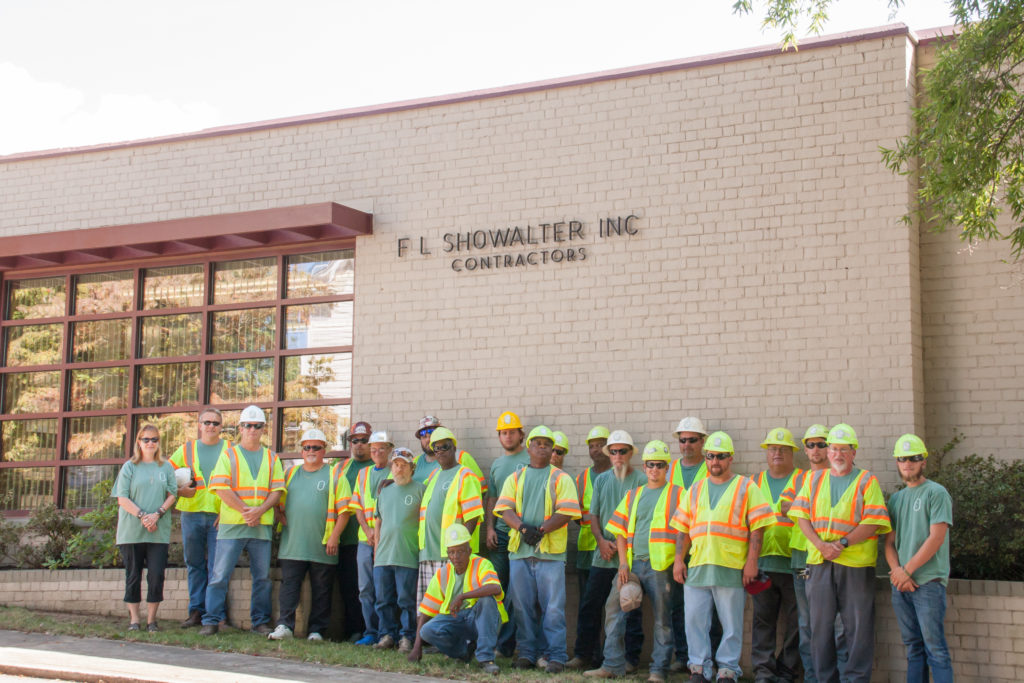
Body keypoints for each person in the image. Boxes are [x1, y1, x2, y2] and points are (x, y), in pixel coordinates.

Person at [788, 423, 891, 683]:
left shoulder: (867, 480)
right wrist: (821, 546)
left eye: (844, 449)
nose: (837, 454)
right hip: (819, 563)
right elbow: (801, 517)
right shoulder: (813, 479)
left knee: (856, 629)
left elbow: (873, 522)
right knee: (819, 628)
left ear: (854, 452)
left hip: (855, 565)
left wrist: (842, 544)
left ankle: (855, 679)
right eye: (833, 448)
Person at [671, 430, 773, 682]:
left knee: (731, 624)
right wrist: (677, 560)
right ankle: (698, 669)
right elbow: (683, 529)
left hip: (731, 566)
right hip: (697, 566)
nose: (715, 461)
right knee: (694, 622)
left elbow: (758, 526)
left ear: (731, 459)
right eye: (711, 456)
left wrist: (751, 562)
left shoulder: (746, 486)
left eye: (721, 456)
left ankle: (728, 670)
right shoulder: (695, 489)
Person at [585, 440, 685, 683]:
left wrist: (680, 560)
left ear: (667, 466)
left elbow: (685, 531)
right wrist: (622, 564)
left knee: (662, 620)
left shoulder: (678, 494)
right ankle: (613, 664)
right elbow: (619, 530)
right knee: (613, 609)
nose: (654, 469)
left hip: (662, 567)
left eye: (660, 465)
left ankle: (658, 671)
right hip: (632, 566)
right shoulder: (634, 494)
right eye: (650, 464)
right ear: (645, 465)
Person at [494, 424, 581, 674]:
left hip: (550, 555)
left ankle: (556, 656)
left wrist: (541, 530)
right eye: (537, 443)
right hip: (520, 552)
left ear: (553, 449)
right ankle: (528, 653)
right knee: (522, 606)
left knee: (553, 608)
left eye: (547, 443)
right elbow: (504, 509)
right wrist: (523, 528)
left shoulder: (560, 478)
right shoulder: (516, 476)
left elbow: (567, 511)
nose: (542, 447)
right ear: (528, 447)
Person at [200, 405, 285, 636]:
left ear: (263, 428)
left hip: (261, 527)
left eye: (257, 426)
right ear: (240, 428)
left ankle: (260, 622)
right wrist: (247, 510)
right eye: (248, 425)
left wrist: (259, 511)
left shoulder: (271, 457)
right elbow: (220, 488)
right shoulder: (228, 455)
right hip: (232, 525)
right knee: (219, 576)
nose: (252, 430)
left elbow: (277, 490)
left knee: (262, 578)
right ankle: (211, 620)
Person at [569, 429, 645, 672]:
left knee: (631, 606)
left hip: (630, 558)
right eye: (614, 452)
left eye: (623, 451)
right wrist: (601, 541)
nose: (618, 456)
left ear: (630, 453)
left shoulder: (642, 481)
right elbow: (594, 516)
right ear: (609, 454)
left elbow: (643, 520)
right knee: (591, 605)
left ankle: (630, 660)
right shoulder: (601, 481)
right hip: (603, 556)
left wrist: (626, 547)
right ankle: (584, 655)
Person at [267, 428, 352, 641]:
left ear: (325, 450)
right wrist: (279, 514)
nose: (311, 451)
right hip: (293, 543)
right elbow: (275, 499)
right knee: (289, 588)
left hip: (323, 545)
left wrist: (334, 537)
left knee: (322, 590)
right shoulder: (289, 474)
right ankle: (285, 626)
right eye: (307, 447)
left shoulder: (335, 474)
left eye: (316, 447)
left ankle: (317, 631)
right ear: (301, 450)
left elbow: (345, 512)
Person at [781, 424, 849, 682]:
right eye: (811, 444)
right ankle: (813, 677)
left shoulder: (841, 475)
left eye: (822, 444)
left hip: (835, 557)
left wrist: (802, 506)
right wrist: (806, 505)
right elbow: (786, 506)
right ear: (806, 450)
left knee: (839, 623)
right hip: (802, 556)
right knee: (807, 623)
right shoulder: (799, 478)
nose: (816, 449)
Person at [884, 434, 954, 683]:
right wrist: (896, 572)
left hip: (927, 583)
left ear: (923, 460)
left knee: (935, 650)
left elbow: (936, 538)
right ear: (897, 462)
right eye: (902, 458)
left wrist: (907, 571)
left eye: (913, 458)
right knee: (913, 649)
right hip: (901, 585)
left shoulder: (937, 493)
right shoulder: (896, 499)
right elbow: (889, 543)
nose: (907, 463)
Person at [408, 523, 506, 675]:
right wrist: (416, 647)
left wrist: (463, 596)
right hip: (457, 620)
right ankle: (463, 652)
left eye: (460, 551)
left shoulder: (482, 564)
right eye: (452, 552)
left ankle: (486, 659)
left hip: (481, 619)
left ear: (469, 550)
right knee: (427, 630)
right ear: (448, 554)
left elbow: (495, 588)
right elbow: (426, 610)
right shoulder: (442, 574)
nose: (456, 557)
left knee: (486, 600)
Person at [169, 407, 232, 628]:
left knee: (218, 568)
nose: (211, 427)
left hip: (219, 515)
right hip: (191, 513)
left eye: (215, 423)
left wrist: (226, 510)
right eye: (207, 422)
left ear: (221, 427)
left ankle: (217, 614)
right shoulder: (186, 449)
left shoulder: (230, 449)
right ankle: (196, 611)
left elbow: (238, 482)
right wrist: (179, 491)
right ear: (199, 425)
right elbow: (166, 475)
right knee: (194, 564)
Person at [750, 428, 803, 683]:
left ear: (793, 452)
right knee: (763, 622)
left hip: (795, 565)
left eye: (783, 449)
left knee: (797, 623)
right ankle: (763, 672)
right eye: (773, 448)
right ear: (766, 453)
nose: (778, 453)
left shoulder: (804, 480)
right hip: (761, 565)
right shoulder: (754, 482)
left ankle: (788, 671)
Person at [113, 424, 177, 632]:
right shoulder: (129, 467)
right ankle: (134, 620)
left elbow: (172, 494)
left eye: (154, 439)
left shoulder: (166, 467)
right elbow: (122, 498)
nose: (150, 443)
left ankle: (151, 620)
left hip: (157, 532)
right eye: (146, 439)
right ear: (138, 442)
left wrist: (156, 514)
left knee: (156, 575)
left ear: (159, 443)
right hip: (132, 531)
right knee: (133, 575)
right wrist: (142, 516)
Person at [418, 427, 484, 605]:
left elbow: (473, 516)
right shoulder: (433, 475)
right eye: (436, 448)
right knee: (428, 606)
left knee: (453, 607)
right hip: (428, 554)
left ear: (454, 448)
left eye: (445, 447)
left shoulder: (465, 475)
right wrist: (392, 480)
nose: (440, 452)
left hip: (452, 556)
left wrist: (461, 551)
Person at [483, 409, 529, 656]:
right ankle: (495, 642)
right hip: (499, 536)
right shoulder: (497, 464)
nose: (508, 436)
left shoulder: (529, 460)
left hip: (522, 537)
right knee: (496, 590)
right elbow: (492, 498)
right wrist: (489, 527)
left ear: (521, 435)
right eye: (503, 433)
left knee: (517, 594)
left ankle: (510, 645)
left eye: (512, 432)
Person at [668, 415, 710, 673]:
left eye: (692, 440)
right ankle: (683, 657)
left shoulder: (712, 466)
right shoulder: (669, 468)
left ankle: (709, 660)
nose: (687, 445)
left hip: (705, 549)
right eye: (682, 440)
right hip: (674, 550)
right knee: (677, 608)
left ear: (702, 441)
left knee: (709, 612)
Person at [372, 447, 424, 652]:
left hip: (408, 554)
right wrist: (376, 549)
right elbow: (378, 522)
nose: (399, 469)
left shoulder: (420, 489)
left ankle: (406, 637)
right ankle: (386, 635)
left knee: (406, 600)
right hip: (383, 555)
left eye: (404, 465)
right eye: (396, 464)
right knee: (383, 599)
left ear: (412, 468)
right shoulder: (384, 492)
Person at [570, 424, 611, 664]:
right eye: (592, 446)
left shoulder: (620, 474)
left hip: (615, 551)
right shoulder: (583, 478)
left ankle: (610, 655)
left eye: (600, 445)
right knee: (589, 605)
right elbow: (576, 512)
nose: (596, 450)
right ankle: (587, 654)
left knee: (615, 607)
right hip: (587, 549)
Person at [349, 430, 393, 645]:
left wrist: (379, 533)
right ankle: (371, 631)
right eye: (373, 449)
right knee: (365, 588)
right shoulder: (363, 474)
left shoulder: (396, 471)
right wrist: (367, 530)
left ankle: (387, 632)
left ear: (389, 450)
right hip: (365, 539)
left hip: (387, 540)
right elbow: (357, 506)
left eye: (381, 449)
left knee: (384, 588)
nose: (377, 453)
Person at [334, 419, 374, 641]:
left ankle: (370, 630)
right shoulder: (340, 468)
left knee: (369, 588)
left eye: (364, 441)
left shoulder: (377, 466)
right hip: (344, 537)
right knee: (349, 588)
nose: (359, 445)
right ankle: (352, 629)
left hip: (367, 538)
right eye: (355, 441)